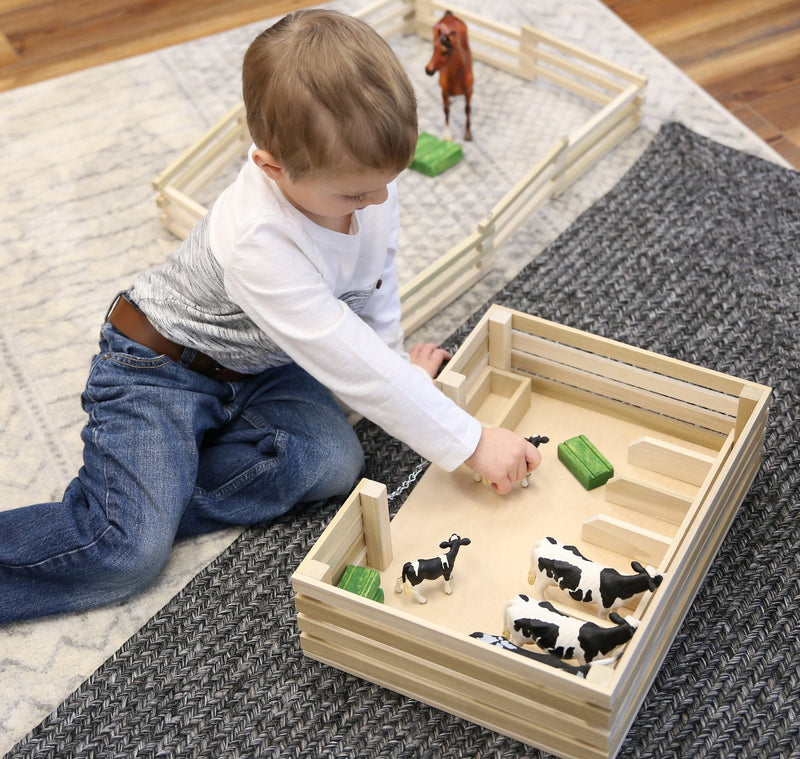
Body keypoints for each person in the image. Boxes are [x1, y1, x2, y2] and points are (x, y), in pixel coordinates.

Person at [0, 9, 541, 625]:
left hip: (265, 363)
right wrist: (470, 441)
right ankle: (133, 508)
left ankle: (157, 487)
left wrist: (397, 366)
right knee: (127, 552)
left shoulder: (365, 183)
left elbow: (374, 284)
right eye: (356, 194)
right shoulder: (255, 238)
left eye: (387, 181)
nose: (380, 201)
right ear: (270, 166)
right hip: (158, 368)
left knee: (335, 464)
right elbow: (341, 352)